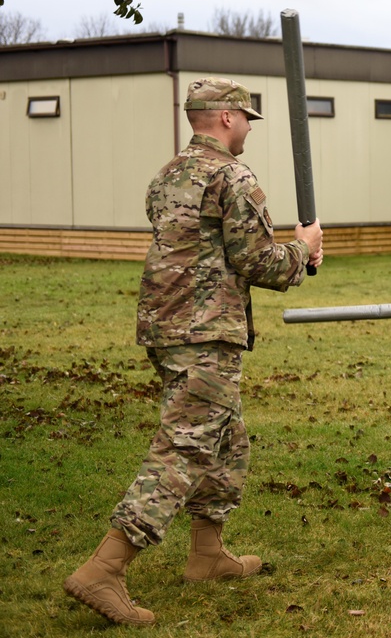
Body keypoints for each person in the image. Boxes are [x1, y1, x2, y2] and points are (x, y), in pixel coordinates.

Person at [63, 77, 323, 626]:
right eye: (247, 117)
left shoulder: (167, 175)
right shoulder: (233, 175)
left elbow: (202, 250)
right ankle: (104, 568)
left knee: (228, 441)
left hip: (166, 327)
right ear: (227, 118)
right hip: (206, 332)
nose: (250, 125)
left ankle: (208, 555)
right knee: (183, 448)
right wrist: (303, 249)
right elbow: (258, 263)